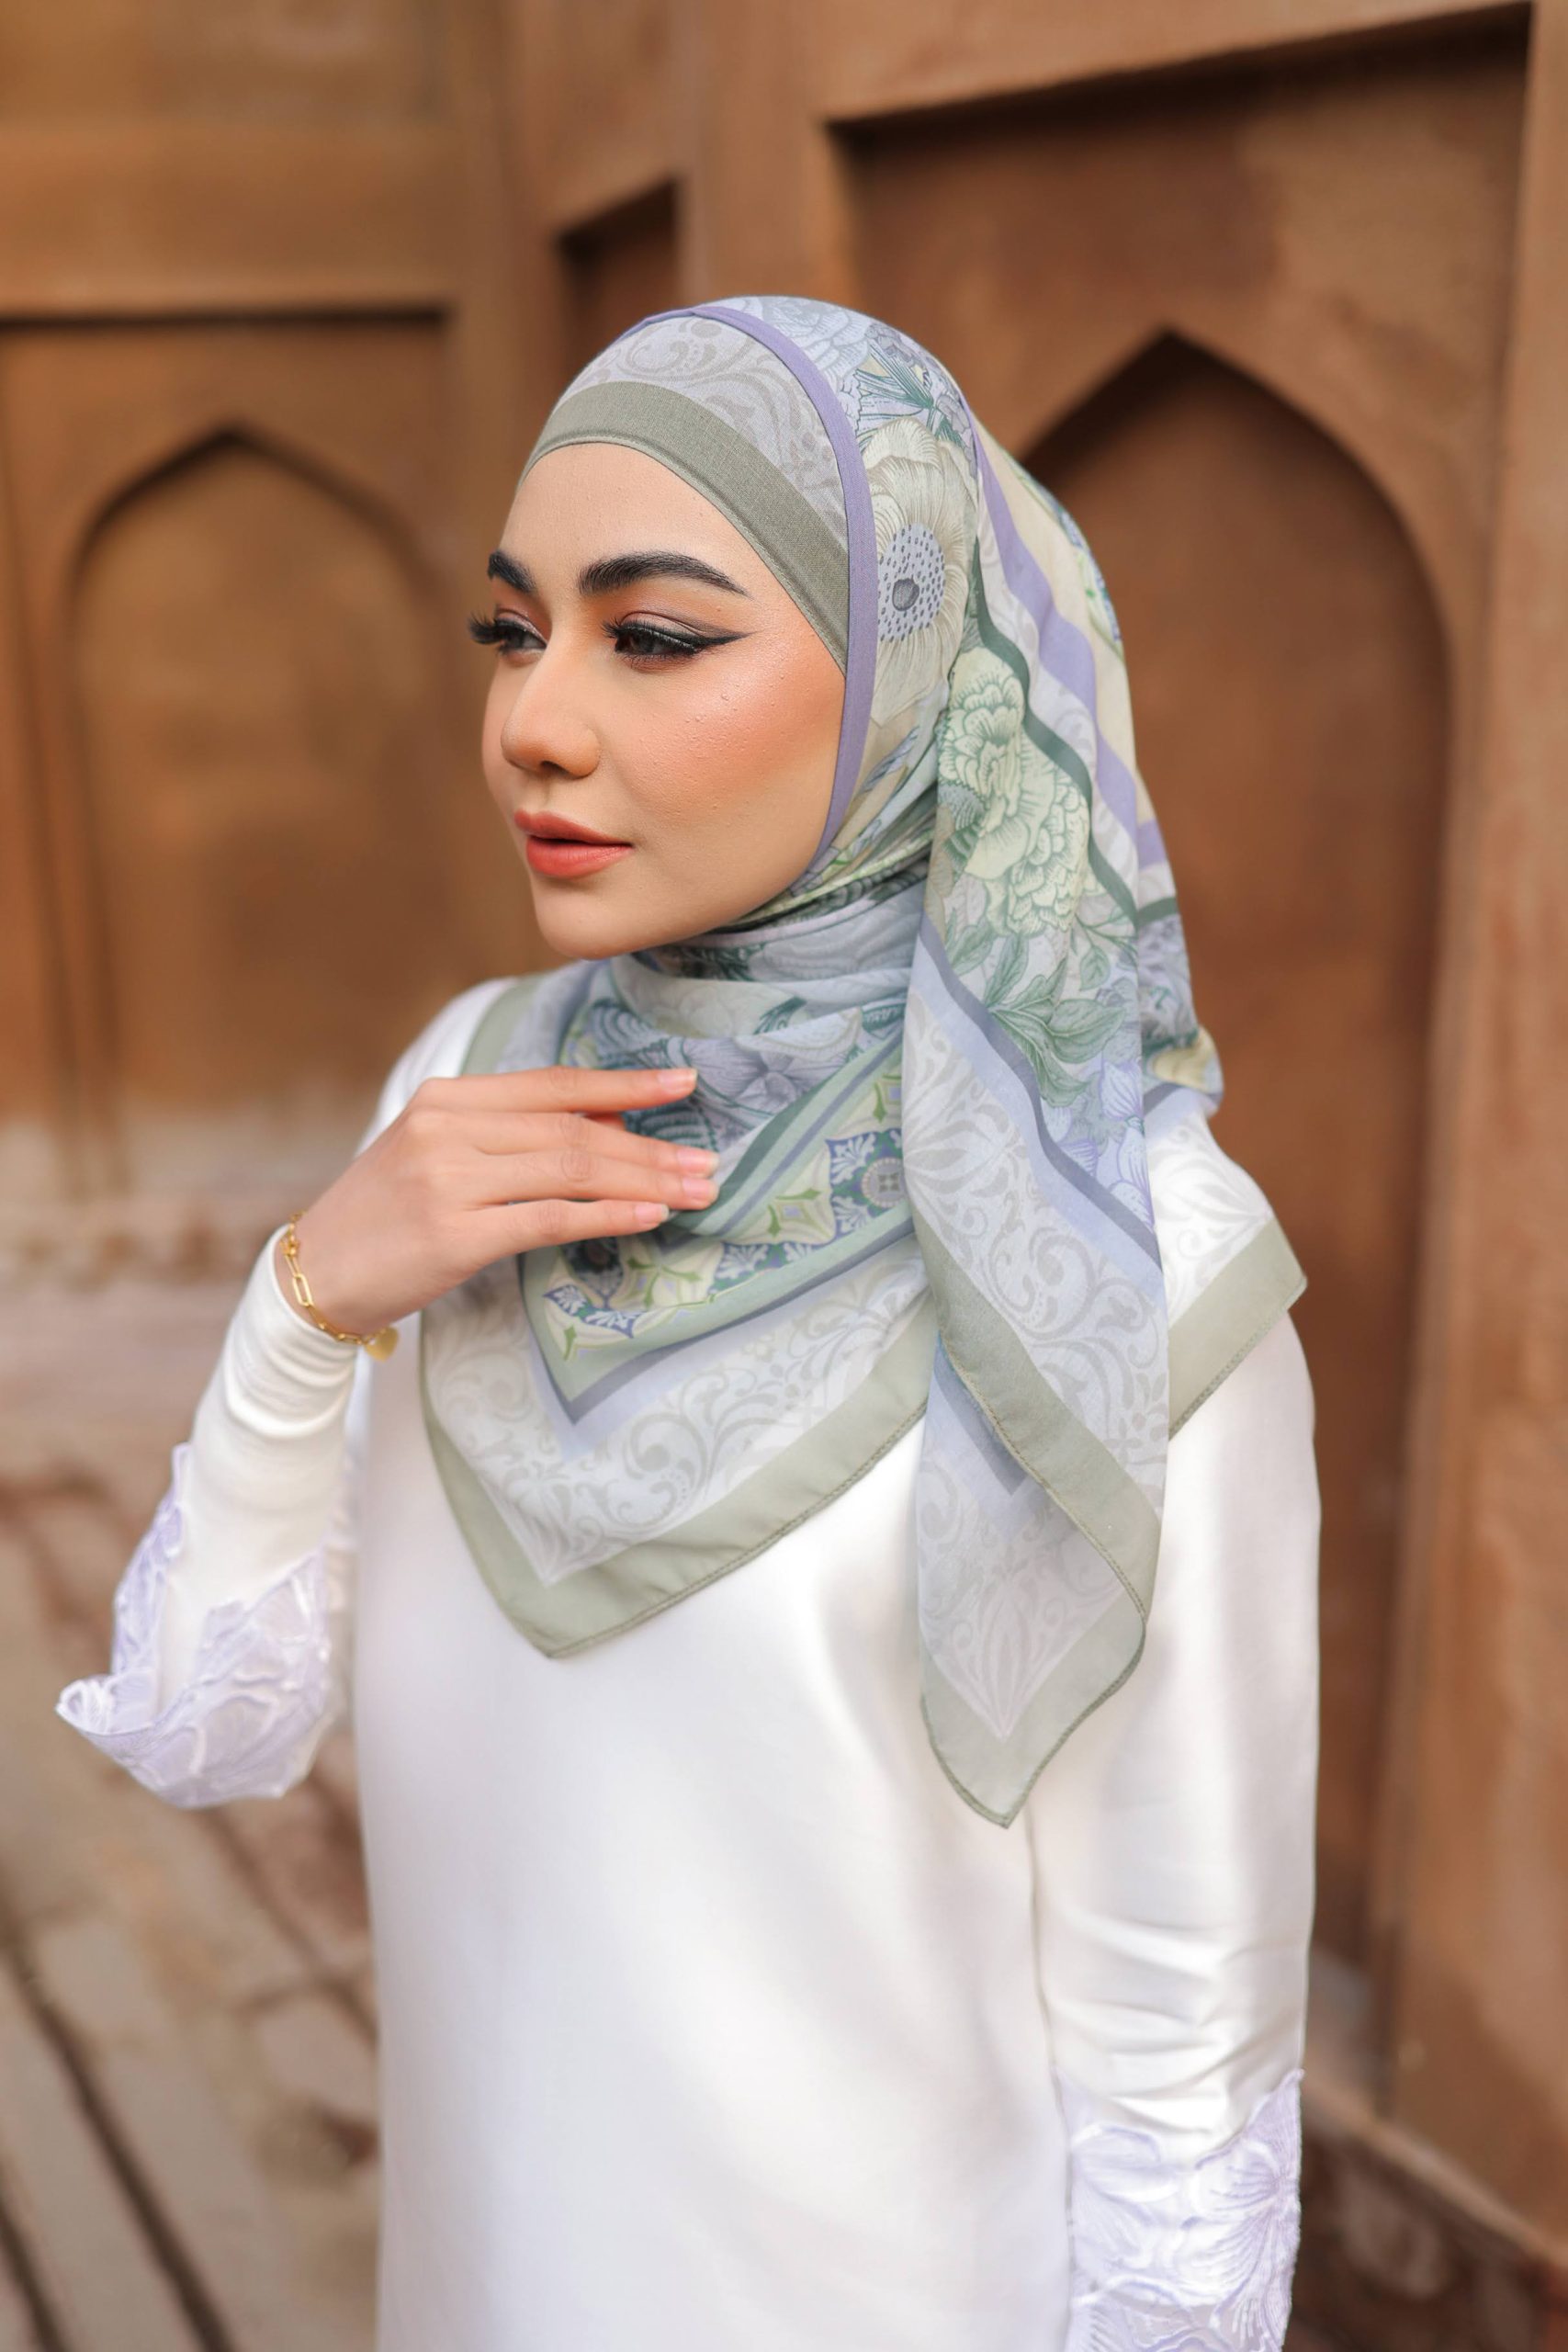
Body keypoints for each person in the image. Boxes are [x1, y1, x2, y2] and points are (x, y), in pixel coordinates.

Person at [59, 296, 1321, 2352]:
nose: (534, 724)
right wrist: (306, 1303)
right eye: (512, 631)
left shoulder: (1132, 1254)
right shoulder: (463, 1088)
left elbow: (1182, 2049)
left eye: (650, 636)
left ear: (912, 683)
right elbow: (211, 1721)